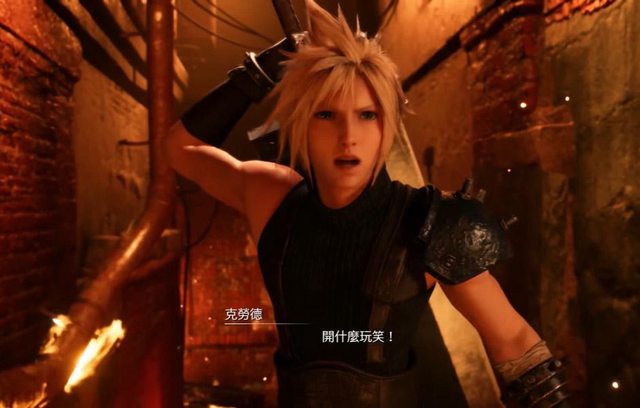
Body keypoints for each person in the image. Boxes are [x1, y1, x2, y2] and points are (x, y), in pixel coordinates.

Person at [164, 1, 570, 406]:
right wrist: (263, 69)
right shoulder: (272, 196)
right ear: (302, 124)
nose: (348, 137)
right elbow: (181, 149)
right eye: (326, 115)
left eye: (366, 115)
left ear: (386, 124)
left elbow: (517, 344)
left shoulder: (429, 222)